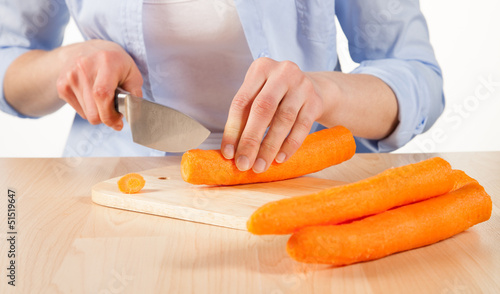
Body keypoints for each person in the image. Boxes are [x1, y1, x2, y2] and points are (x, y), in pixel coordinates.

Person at [0, 0, 444, 173]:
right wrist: (68, 62)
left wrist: (326, 91)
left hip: (303, 183)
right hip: (112, 189)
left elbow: (418, 75)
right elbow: (8, 59)